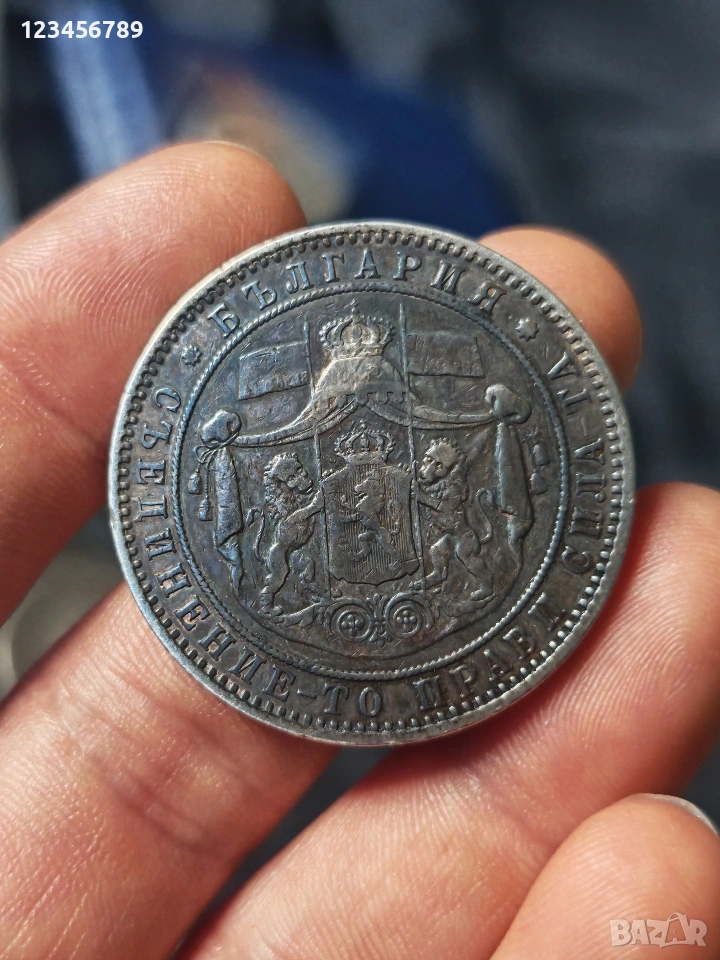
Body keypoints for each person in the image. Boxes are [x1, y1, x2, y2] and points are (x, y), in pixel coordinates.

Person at [0, 142, 718, 959]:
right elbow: (309, 453)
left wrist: (473, 431)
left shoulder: (399, 449)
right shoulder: (326, 454)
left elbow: (396, 445)